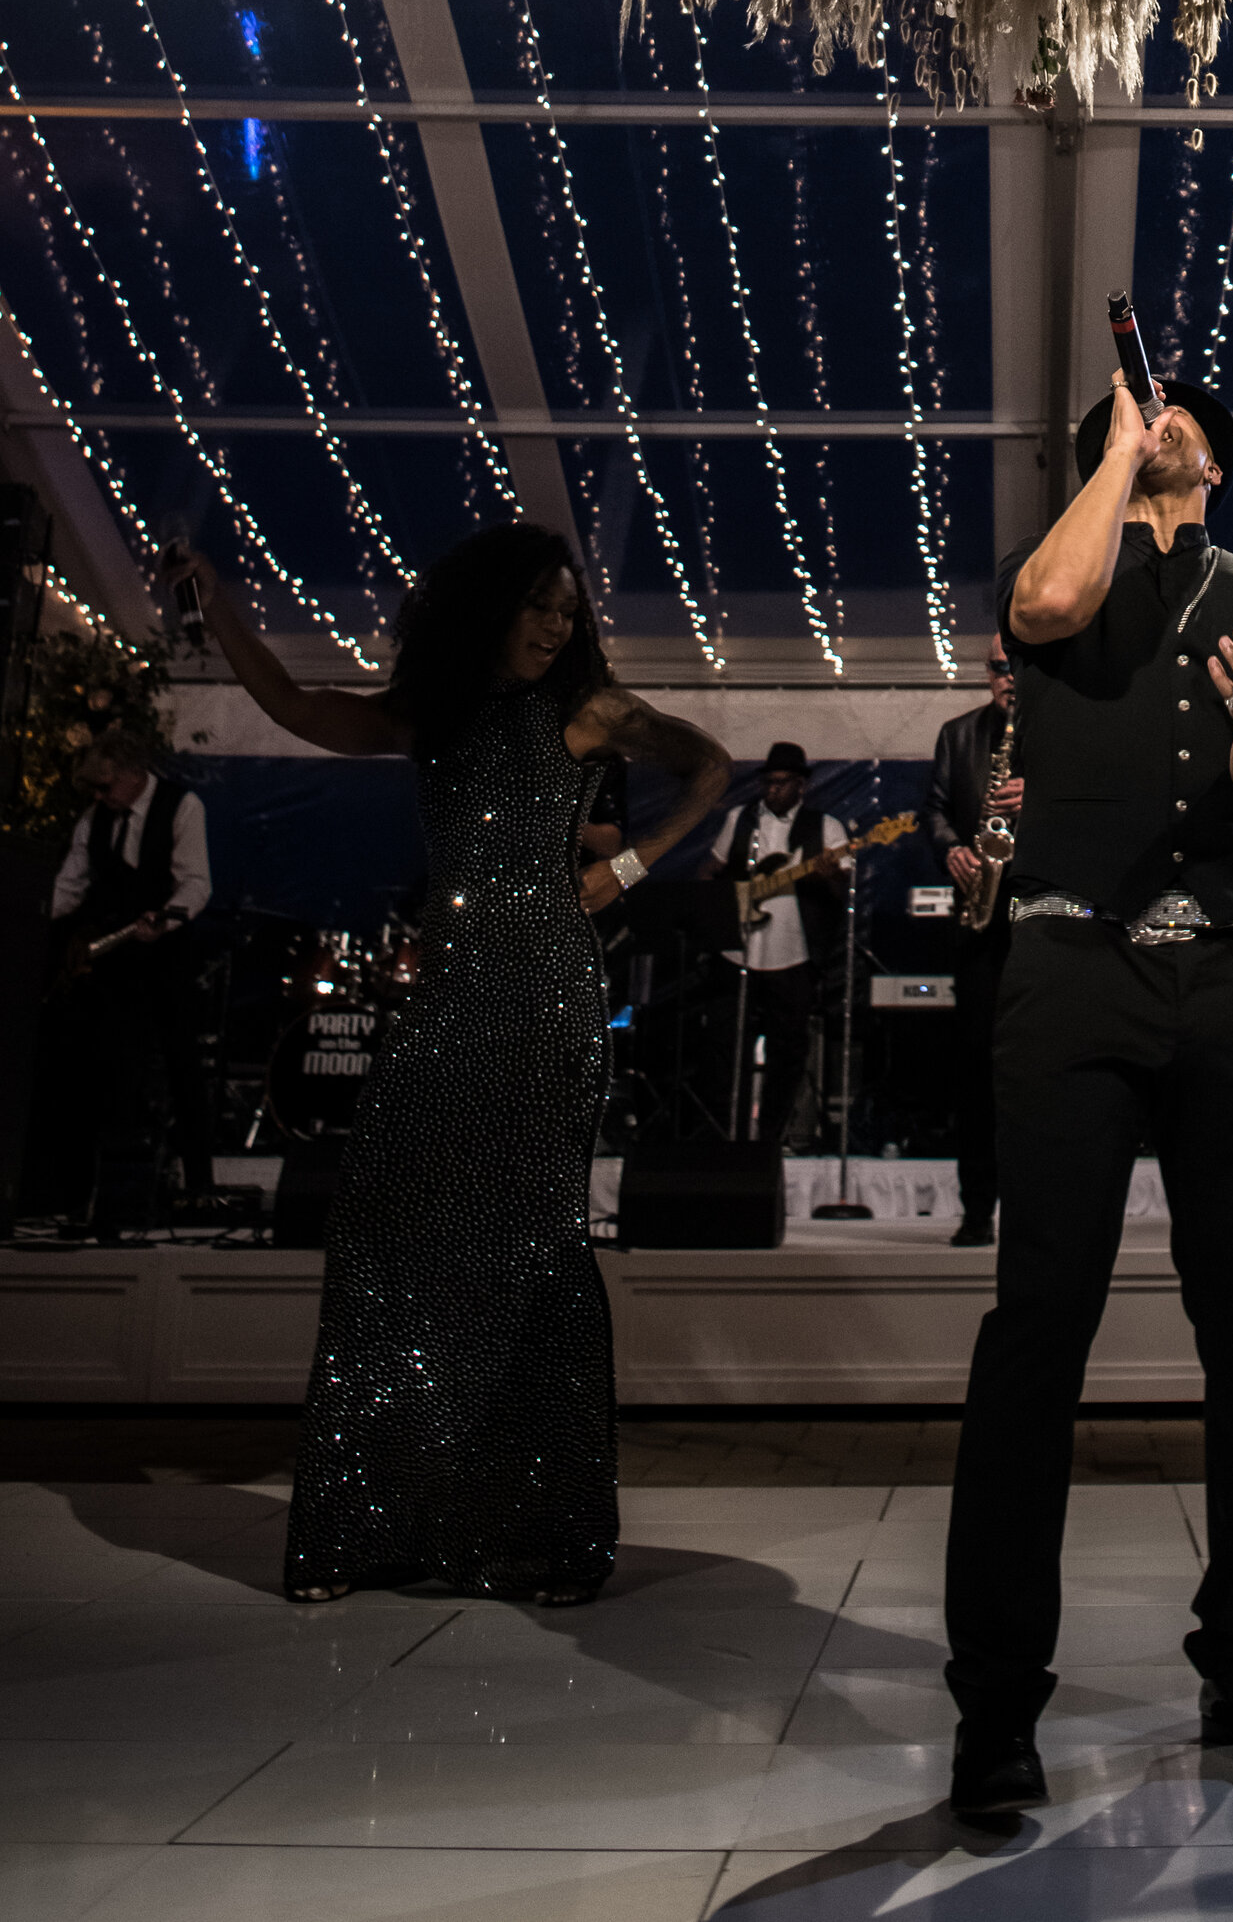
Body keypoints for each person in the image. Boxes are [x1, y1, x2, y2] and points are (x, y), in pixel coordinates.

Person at [162, 522, 729, 1604]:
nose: (555, 626)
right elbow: (294, 705)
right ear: (487, 607)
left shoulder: (588, 709)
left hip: (546, 1000)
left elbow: (708, 765)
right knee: (385, 1230)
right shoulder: (434, 713)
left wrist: (630, 868)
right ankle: (380, 1528)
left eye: (567, 610)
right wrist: (217, 597)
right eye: (538, 606)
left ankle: (545, 1537)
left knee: (533, 1247)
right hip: (451, 999)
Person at [942, 374, 1233, 1820]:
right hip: (1067, 969)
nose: (1156, 419)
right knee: (1040, 1322)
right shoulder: (1058, 561)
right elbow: (1047, 607)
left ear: (1215, 459)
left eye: (1177, 420)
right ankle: (996, 1704)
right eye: (1136, 415)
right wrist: (1110, 455)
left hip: (1225, 976)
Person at [41, 726, 217, 1219]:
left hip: (166, 957)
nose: (100, 797)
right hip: (114, 964)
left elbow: (196, 883)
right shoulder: (94, 819)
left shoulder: (182, 807)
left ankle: (199, 1185)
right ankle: (89, 1194)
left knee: (182, 1065)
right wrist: (32, 913)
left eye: (105, 785)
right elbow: (69, 887)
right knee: (102, 1065)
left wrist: (166, 918)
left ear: (134, 773)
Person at [928, 637, 1021, 1246]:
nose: (1009, 677)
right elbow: (933, 810)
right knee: (976, 1072)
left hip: (1042, 921)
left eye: (1018, 666)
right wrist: (952, 849)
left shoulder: (1062, 734)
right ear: (986, 673)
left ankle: (1037, 1210)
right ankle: (976, 1208)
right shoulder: (957, 734)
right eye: (999, 667)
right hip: (980, 924)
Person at [707, 743, 846, 1147]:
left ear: (801, 785)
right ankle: (726, 1135)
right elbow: (711, 870)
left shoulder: (826, 827)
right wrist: (719, 911)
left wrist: (828, 874)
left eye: (782, 783)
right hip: (737, 953)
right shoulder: (740, 819)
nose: (772, 789)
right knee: (726, 1047)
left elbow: (842, 886)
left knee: (787, 1050)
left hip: (794, 956)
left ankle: (771, 1137)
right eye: (768, 782)